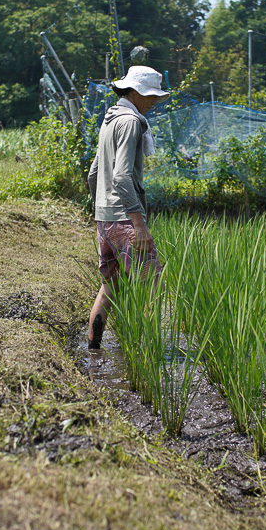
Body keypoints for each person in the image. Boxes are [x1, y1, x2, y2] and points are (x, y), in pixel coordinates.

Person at [86, 66, 169, 349]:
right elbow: (121, 176)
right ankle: (149, 355)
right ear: (134, 92)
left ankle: (93, 350)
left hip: (104, 219)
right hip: (125, 220)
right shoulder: (131, 122)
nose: (153, 103)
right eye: (150, 97)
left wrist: (101, 213)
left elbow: (94, 174)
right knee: (153, 286)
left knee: (111, 286)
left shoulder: (109, 120)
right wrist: (139, 224)